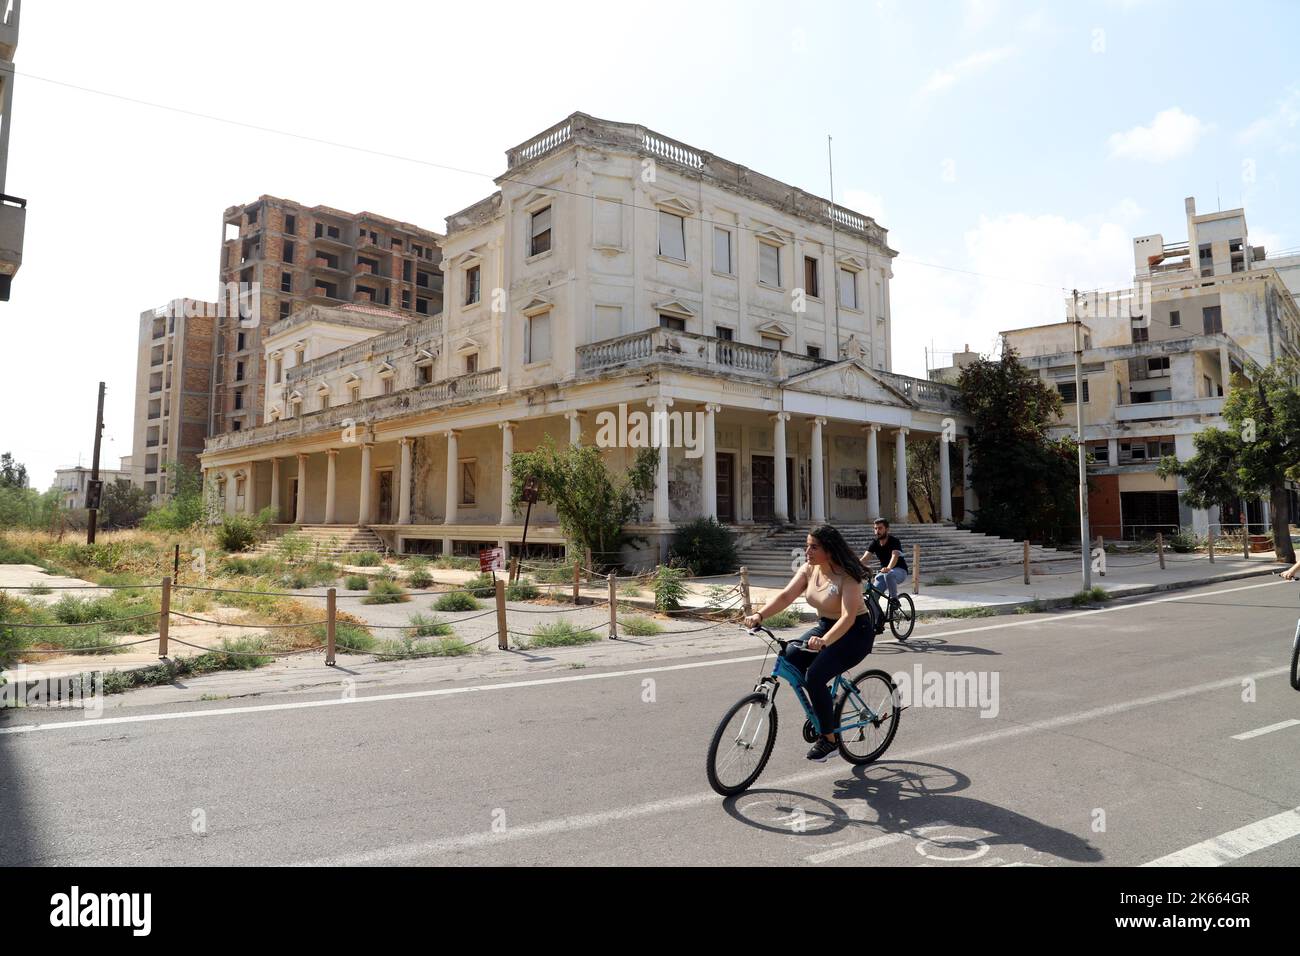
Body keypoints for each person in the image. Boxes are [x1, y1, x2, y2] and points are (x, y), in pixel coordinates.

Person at [742, 524, 875, 762]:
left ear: (830, 550)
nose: (807, 551)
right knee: (790, 656)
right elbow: (785, 596)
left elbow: (847, 617)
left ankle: (829, 740)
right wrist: (759, 615)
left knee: (815, 676)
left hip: (856, 633)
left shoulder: (848, 576)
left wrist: (824, 641)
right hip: (826, 626)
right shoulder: (809, 569)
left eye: (814, 547)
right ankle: (825, 699)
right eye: (807, 546)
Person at [862, 518, 908, 636]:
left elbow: (895, 556)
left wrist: (888, 567)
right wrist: (852, 566)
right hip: (884, 573)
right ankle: (879, 622)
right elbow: (865, 558)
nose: (877, 531)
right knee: (872, 598)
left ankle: (894, 600)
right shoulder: (874, 543)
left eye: (880, 528)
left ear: (887, 529)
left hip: (899, 571)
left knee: (889, 574)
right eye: (875, 528)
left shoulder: (894, 541)